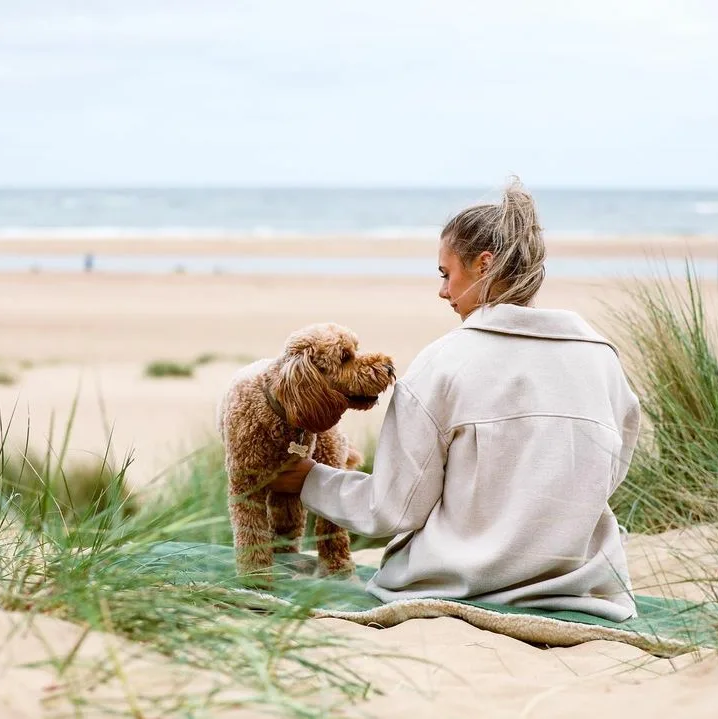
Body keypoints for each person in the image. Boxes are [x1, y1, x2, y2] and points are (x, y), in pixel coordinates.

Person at [270, 178, 642, 621]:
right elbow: (604, 475)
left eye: (447, 274)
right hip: (584, 587)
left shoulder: (442, 364)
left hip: (460, 584)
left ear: (483, 265)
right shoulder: (602, 359)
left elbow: (393, 509)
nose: (443, 291)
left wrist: (311, 479)